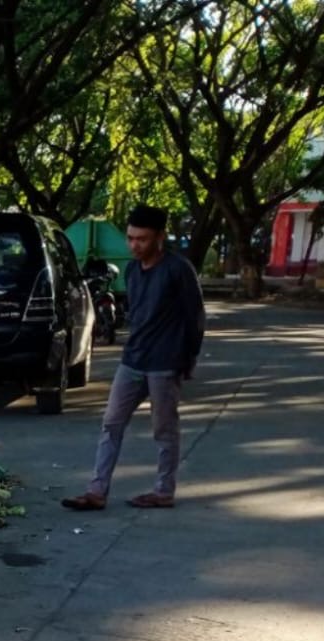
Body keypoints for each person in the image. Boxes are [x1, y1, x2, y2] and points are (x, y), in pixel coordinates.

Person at [62, 204, 205, 511]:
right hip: (132, 360)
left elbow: (195, 316)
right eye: (130, 238)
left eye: (142, 239)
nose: (134, 245)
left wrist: (190, 357)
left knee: (164, 430)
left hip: (165, 363)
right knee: (111, 424)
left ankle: (164, 491)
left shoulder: (178, 269)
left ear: (160, 237)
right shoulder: (131, 270)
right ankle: (96, 491)